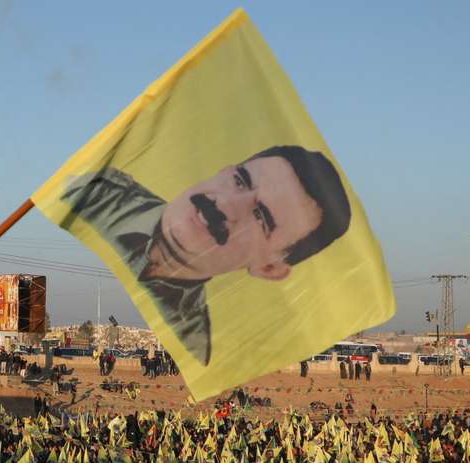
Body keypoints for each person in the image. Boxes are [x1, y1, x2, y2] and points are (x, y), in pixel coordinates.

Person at [62, 145, 352, 365]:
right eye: (240, 180)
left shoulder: (192, 344)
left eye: (260, 217)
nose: (224, 204)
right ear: (225, 170)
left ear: (269, 268)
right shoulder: (97, 195)